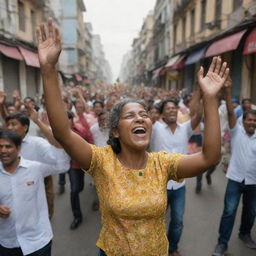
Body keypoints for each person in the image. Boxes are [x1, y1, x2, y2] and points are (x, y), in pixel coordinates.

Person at [37, 19, 229, 256]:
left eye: (144, 114)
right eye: (130, 116)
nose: (140, 119)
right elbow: (63, 133)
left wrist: (210, 99)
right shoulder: (101, 162)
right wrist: (48, 70)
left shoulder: (163, 164)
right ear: (116, 130)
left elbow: (210, 158)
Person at [150, 88, 202, 256]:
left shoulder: (185, 128)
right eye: (168, 109)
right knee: (156, 221)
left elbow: (199, 115)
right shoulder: (155, 128)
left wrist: (200, 92)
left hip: (179, 185)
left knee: (177, 221)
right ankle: (155, 248)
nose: (172, 111)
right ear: (162, 114)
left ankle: (172, 249)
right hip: (159, 185)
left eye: (174, 108)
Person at [0, 130, 70, 256]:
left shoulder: (35, 168)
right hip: (7, 243)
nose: (3, 150)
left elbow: (63, 165)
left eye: (8, 146)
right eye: (0, 147)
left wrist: (43, 125)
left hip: (38, 242)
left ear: (19, 148)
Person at [212, 78, 256, 256]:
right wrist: (228, 91)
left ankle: (244, 234)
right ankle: (222, 243)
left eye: (255, 120)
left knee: (251, 211)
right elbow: (230, 112)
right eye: (249, 120)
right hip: (235, 179)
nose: (252, 122)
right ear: (243, 121)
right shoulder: (236, 131)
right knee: (229, 211)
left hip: (253, 182)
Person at [5, 112, 70, 218]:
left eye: (13, 124)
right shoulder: (4, 147)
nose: (9, 127)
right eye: (8, 124)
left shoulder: (38, 143)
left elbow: (60, 164)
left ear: (25, 127)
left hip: (36, 189)